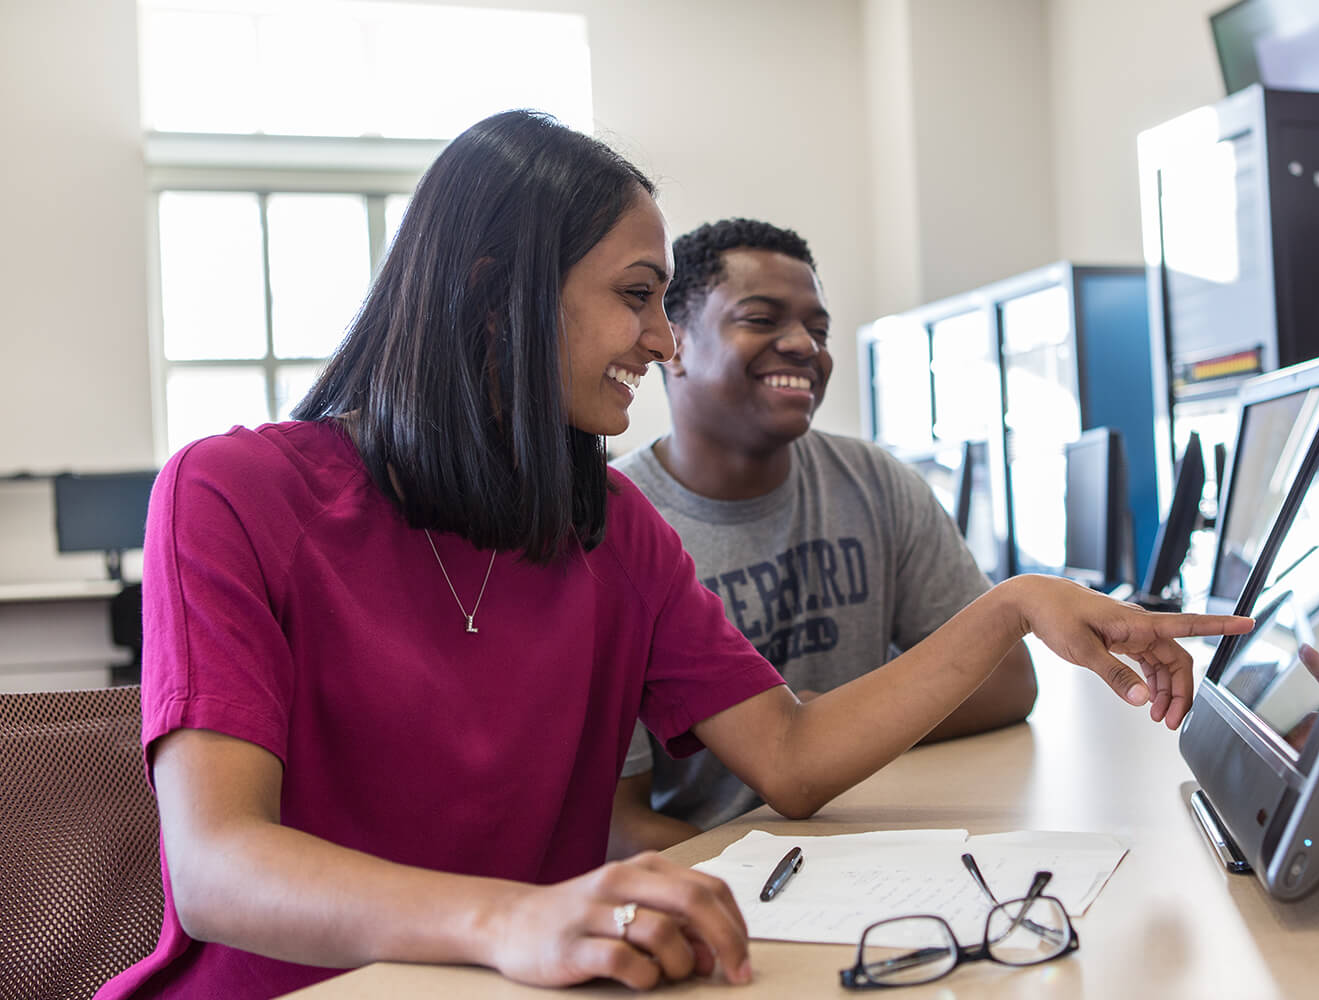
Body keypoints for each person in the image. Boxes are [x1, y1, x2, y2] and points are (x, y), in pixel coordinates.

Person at [97, 110, 1250, 999]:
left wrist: (1011, 607)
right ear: (497, 297)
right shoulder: (233, 492)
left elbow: (791, 754)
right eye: (638, 298)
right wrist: (511, 919)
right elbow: (219, 867)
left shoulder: (608, 528)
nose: (659, 341)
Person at [607, 219, 1037, 855]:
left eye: (819, 328)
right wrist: (767, 873)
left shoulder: (872, 481)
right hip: (737, 869)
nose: (804, 345)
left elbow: (1006, 682)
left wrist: (828, 719)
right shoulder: (618, 527)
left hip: (866, 839)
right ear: (673, 345)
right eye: (760, 318)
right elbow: (617, 825)